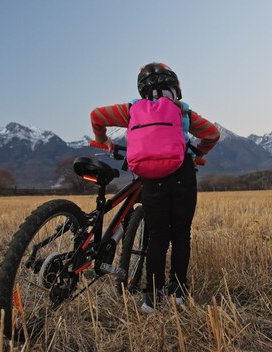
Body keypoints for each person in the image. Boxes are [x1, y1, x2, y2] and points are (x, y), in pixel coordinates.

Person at [90, 62, 220, 312]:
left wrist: (103, 140)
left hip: (150, 177)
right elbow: (212, 134)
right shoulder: (183, 112)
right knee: (181, 233)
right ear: (174, 85)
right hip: (182, 172)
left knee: (157, 235)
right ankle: (178, 291)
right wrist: (198, 154)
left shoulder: (131, 109)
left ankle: (151, 295)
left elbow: (96, 116)